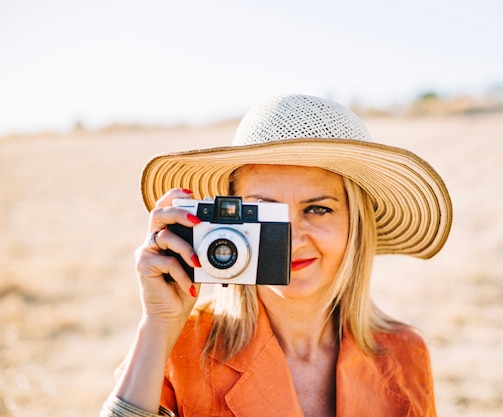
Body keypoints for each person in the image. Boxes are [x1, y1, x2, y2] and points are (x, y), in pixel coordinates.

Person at [100, 94, 453, 417]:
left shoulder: (405, 353)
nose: (292, 240)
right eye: (265, 214)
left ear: (356, 224)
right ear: (232, 218)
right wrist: (158, 325)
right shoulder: (177, 346)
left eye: (317, 209)